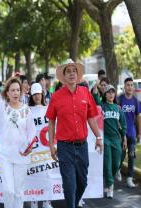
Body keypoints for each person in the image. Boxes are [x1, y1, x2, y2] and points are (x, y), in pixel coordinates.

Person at [46, 59, 102, 208]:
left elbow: (91, 117)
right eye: (68, 71)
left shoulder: (85, 93)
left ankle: (74, 204)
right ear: (63, 76)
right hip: (65, 148)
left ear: (77, 75)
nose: (72, 74)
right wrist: (52, 145)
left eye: (74, 71)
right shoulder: (56, 96)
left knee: (82, 182)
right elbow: (51, 122)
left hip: (82, 146)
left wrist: (98, 137)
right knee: (69, 185)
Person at [0, 73, 36, 208]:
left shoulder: (26, 110)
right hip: (5, 155)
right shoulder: (2, 106)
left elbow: (32, 132)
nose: (15, 93)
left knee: (18, 193)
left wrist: (30, 146)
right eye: (12, 90)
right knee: (9, 190)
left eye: (18, 90)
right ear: (7, 93)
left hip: (21, 155)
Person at [29, 83, 53, 208]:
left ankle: (47, 200)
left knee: (48, 174)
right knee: (34, 174)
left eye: (38, 94)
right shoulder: (27, 111)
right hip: (34, 149)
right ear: (31, 96)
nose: (37, 96)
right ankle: (34, 199)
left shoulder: (48, 108)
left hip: (47, 149)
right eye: (34, 94)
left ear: (42, 95)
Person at [101, 84, 127, 198]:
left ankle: (108, 181)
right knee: (107, 163)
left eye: (112, 92)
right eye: (108, 92)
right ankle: (110, 187)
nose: (111, 94)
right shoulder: (102, 107)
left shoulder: (118, 108)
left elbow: (124, 125)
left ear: (115, 94)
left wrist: (124, 138)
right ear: (105, 94)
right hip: (106, 139)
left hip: (116, 139)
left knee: (116, 164)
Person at [116, 77, 141, 187]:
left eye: (131, 85)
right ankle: (117, 169)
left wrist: (139, 132)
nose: (130, 87)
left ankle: (129, 179)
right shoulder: (120, 99)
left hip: (132, 132)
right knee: (121, 154)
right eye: (128, 85)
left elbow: (138, 117)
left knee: (131, 155)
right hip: (122, 132)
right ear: (124, 87)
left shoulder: (136, 101)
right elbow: (117, 117)